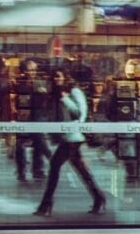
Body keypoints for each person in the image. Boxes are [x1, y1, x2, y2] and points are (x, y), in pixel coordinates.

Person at [35, 71, 107, 217]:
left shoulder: (74, 91)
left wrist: (65, 99)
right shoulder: (56, 92)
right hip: (66, 137)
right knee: (81, 169)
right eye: (54, 77)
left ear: (65, 77)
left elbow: (80, 114)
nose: (56, 79)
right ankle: (99, 198)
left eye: (59, 76)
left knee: (54, 165)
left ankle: (46, 204)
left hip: (74, 137)